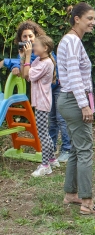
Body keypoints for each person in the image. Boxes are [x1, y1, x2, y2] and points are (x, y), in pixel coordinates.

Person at [0, 20, 71, 161]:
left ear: (36, 37)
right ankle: (50, 150)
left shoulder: (42, 53)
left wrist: (9, 62)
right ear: (20, 38)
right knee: (50, 121)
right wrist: (16, 66)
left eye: (30, 36)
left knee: (60, 119)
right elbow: (22, 67)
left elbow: (30, 67)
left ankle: (67, 149)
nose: (28, 39)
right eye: (24, 37)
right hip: (43, 92)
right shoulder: (25, 52)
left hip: (56, 88)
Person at [57, 2, 95, 215]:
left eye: (93, 19)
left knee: (76, 148)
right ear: (77, 19)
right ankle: (87, 202)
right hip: (75, 101)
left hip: (68, 100)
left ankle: (70, 194)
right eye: (89, 19)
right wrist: (84, 105)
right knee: (85, 150)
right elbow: (75, 75)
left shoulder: (70, 40)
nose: (93, 22)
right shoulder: (73, 41)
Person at [21, 35, 60, 177]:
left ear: (45, 48)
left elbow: (28, 75)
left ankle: (45, 165)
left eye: (36, 45)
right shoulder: (39, 59)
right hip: (40, 101)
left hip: (43, 102)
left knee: (43, 134)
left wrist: (27, 57)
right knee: (44, 133)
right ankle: (52, 158)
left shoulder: (46, 63)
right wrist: (24, 56)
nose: (33, 46)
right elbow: (26, 74)